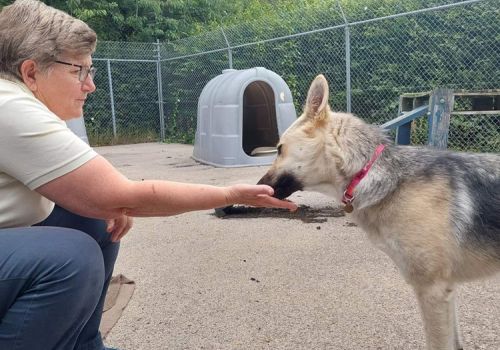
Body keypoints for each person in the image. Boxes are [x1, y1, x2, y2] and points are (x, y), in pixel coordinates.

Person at [0, 1, 297, 350]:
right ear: (31, 72)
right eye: (78, 70)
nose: (90, 85)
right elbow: (123, 195)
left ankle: (85, 344)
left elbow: (94, 190)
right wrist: (232, 194)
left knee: (93, 219)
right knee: (69, 257)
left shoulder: (15, 99)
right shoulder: (11, 106)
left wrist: (104, 203)